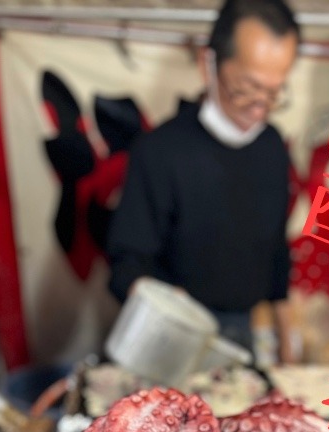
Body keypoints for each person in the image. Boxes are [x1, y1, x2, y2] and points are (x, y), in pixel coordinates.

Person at [106, 0, 300, 362]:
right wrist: (165, 306)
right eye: (246, 88)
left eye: (274, 93)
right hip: (167, 333)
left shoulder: (272, 147)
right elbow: (125, 262)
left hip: (243, 331)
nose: (259, 108)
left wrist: (288, 338)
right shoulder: (160, 151)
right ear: (208, 64)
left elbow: (276, 249)